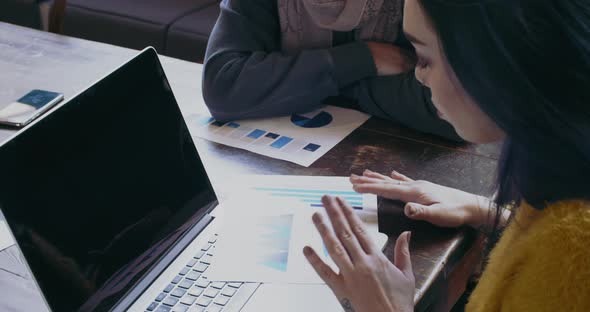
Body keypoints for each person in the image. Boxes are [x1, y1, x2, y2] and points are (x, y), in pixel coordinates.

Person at [303, 0, 590, 311]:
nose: (419, 76)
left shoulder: (574, 254)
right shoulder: (563, 184)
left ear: (500, 56)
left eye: (425, 59)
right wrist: (488, 212)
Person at [202, 0, 462, 141]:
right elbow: (223, 86)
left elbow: (456, 109)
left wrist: (302, 82)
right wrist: (364, 59)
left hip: (409, 166)